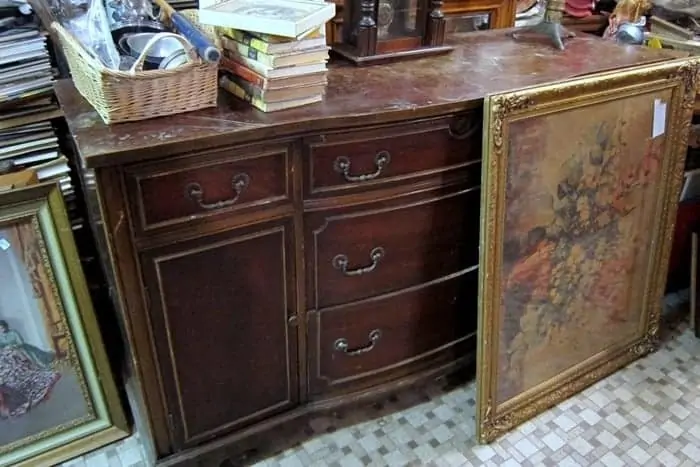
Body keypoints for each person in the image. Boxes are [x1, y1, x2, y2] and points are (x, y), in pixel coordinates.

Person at [0, 320, 60, 419]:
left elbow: (20, 343)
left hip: (17, 349)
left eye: (2, 327)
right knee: (4, 359)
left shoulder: (13, 333)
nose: (1, 330)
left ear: (5, 327)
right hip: (7, 354)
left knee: (15, 355)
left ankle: (24, 370)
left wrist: (12, 347)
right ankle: (9, 375)